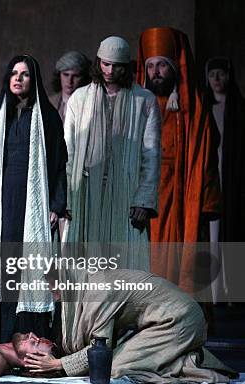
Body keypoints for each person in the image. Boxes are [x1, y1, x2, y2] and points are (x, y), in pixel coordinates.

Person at [0, 55, 67, 343]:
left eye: (24, 74)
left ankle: (27, 338)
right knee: (1, 262)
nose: (18, 79)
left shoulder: (47, 118)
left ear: (33, 80)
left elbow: (60, 164)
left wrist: (55, 205)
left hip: (32, 203)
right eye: (13, 73)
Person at [22, 269, 237, 384]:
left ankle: (191, 362)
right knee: (119, 359)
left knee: (115, 368)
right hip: (168, 319)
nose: (54, 294)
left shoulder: (98, 292)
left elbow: (100, 349)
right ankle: (177, 355)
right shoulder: (88, 285)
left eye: (54, 287)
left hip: (178, 319)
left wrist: (59, 364)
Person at [63, 36, 161, 271]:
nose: (109, 70)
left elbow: (151, 155)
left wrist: (144, 199)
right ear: (98, 63)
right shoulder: (80, 98)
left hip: (126, 192)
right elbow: (69, 150)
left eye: (116, 65)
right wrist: (66, 195)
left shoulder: (143, 101)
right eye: (105, 64)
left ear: (125, 67)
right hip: (85, 191)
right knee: (83, 262)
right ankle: (85, 309)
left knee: (125, 263)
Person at [136, 27, 221, 293]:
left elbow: (205, 157)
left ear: (174, 67)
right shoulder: (137, 106)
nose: (156, 72)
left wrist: (205, 202)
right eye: (150, 66)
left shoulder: (192, 109)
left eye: (162, 65)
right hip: (145, 199)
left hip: (182, 200)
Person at [203, 57, 245, 302]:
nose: (217, 80)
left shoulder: (239, 110)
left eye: (221, 74)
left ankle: (235, 293)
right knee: (212, 238)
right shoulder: (204, 108)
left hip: (235, 182)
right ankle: (214, 294)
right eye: (212, 75)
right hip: (211, 181)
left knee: (235, 235)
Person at [49, 51, 91, 121]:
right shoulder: (48, 103)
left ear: (84, 78)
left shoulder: (91, 104)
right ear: (59, 75)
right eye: (66, 75)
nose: (69, 81)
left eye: (76, 76)